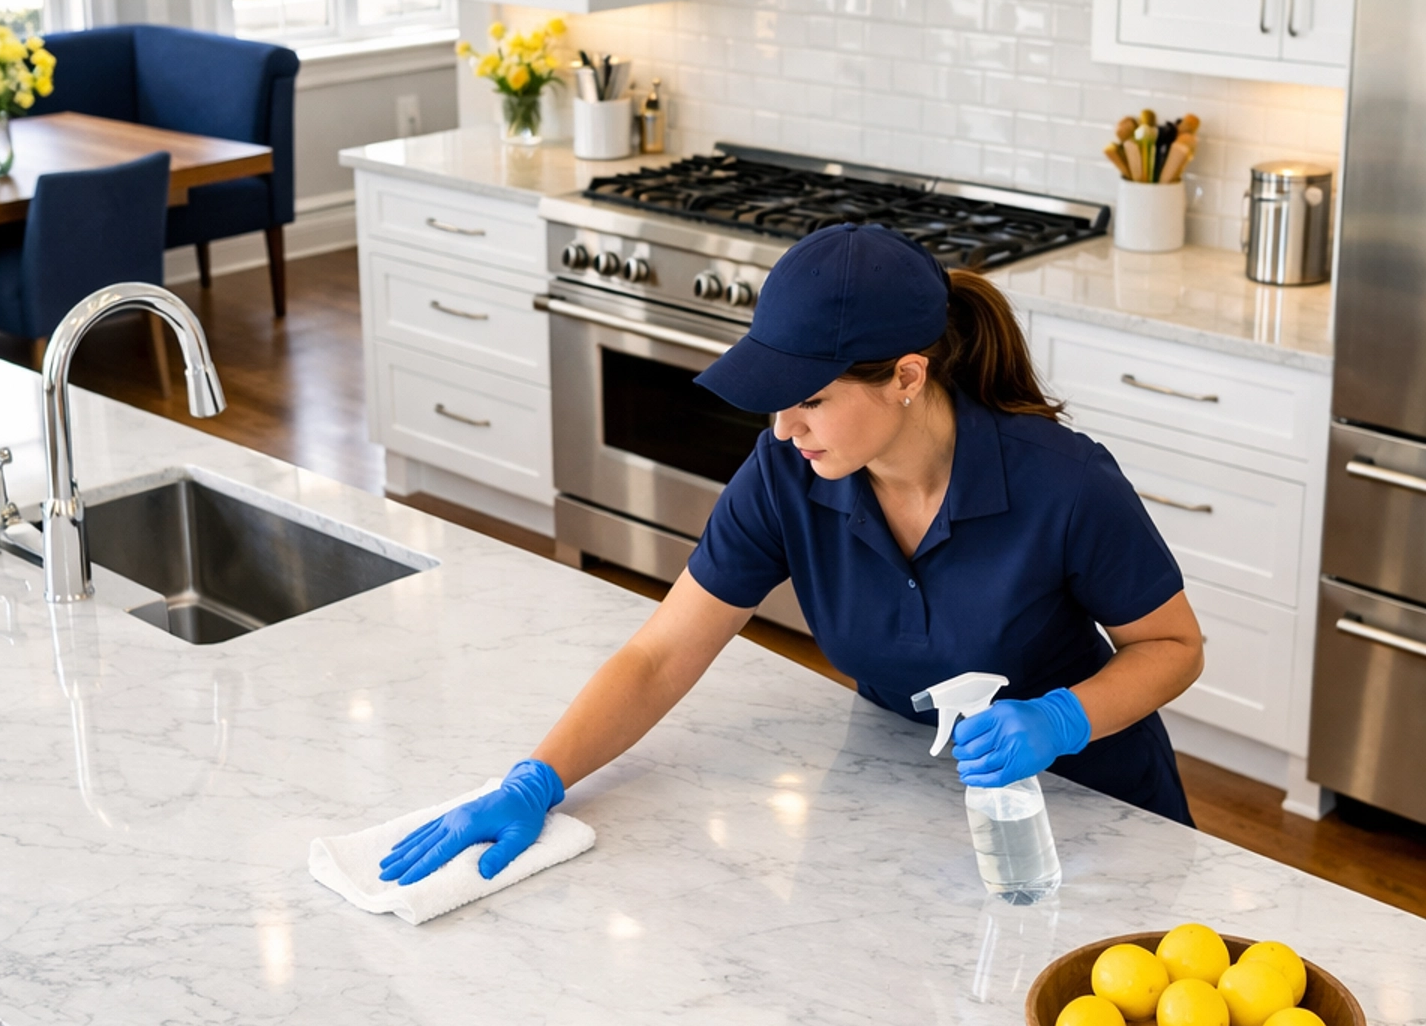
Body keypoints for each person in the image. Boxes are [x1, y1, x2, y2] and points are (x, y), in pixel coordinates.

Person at [381, 222, 1204, 888]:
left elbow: (1173, 647)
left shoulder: (1062, 481)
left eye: (811, 399)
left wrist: (1061, 718)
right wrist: (537, 779)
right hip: (905, 804)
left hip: (1095, 816)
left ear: (908, 377)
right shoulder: (789, 472)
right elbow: (663, 653)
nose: (783, 427)